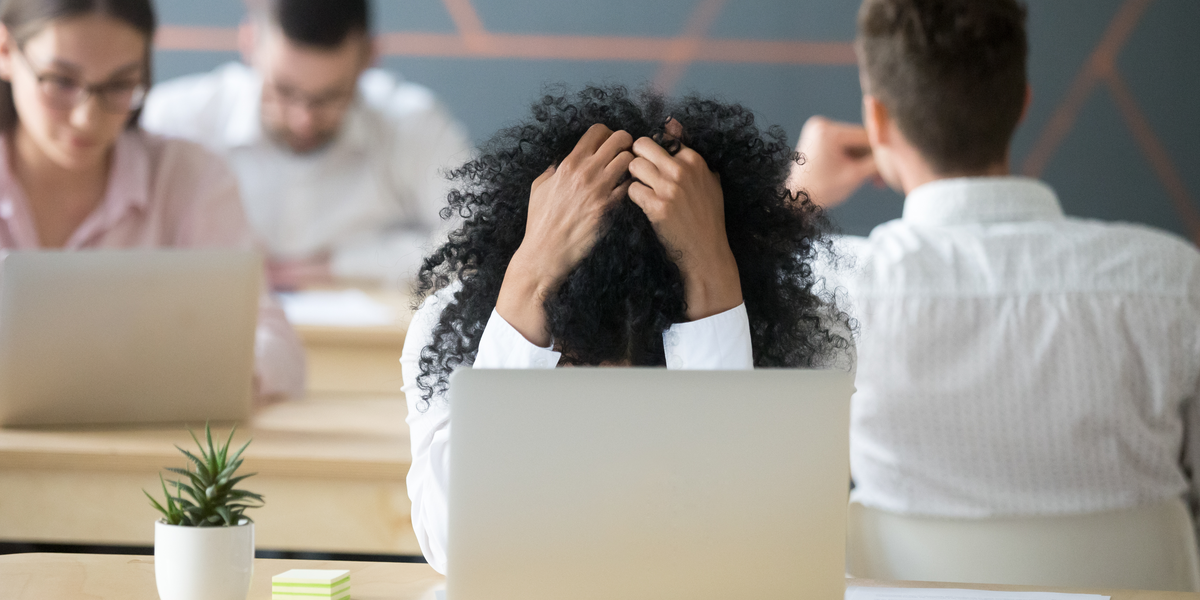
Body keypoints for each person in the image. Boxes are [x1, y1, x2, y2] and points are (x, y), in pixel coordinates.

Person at [402, 85, 854, 573]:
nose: (613, 381)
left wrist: (712, 281)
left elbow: (752, 555)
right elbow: (457, 544)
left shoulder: (806, 335)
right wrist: (528, 281)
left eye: (652, 358)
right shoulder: (459, 327)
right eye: (578, 358)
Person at [792, 0, 1200, 521]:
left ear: (877, 120)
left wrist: (795, 193)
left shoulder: (836, 287)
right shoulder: (1176, 282)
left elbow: (723, 355)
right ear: (1022, 105)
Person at [0, 0, 305, 401]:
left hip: (154, 451)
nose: (86, 118)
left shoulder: (192, 179)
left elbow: (277, 345)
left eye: (119, 85)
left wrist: (206, 375)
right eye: (60, 80)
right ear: (5, 51)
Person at [141, 0, 471, 290]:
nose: (304, 120)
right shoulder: (175, 120)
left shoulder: (411, 123)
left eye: (329, 98)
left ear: (369, 57)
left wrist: (342, 267)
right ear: (249, 43)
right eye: (283, 91)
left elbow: (479, 242)